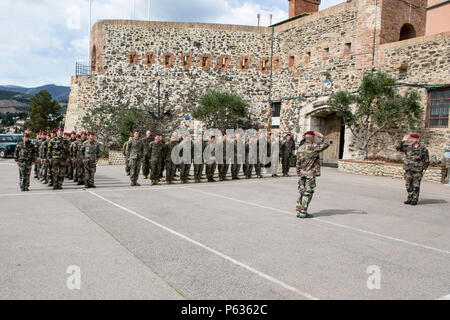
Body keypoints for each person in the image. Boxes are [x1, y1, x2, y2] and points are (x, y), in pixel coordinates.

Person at [296, 131, 330, 218]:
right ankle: (303, 211)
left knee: (301, 192)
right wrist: (321, 136)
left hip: (302, 174)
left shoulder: (300, 148)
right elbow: (327, 143)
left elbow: (298, 163)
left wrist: (298, 174)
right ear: (311, 138)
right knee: (308, 192)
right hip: (310, 174)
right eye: (314, 137)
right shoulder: (314, 147)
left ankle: (299, 210)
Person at [396, 133, 430, 205]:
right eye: (411, 138)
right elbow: (398, 148)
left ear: (417, 139)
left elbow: (426, 160)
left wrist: (424, 169)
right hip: (408, 169)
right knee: (408, 185)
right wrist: (403, 140)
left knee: (416, 186)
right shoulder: (407, 147)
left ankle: (414, 199)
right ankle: (410, 197)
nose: (412, 140)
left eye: (413, 138)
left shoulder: (423, 149)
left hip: (418, 170)